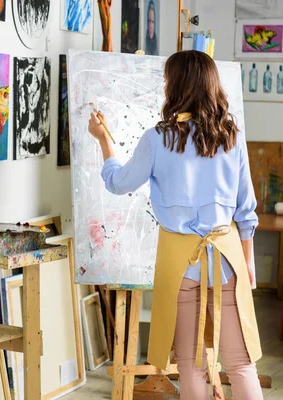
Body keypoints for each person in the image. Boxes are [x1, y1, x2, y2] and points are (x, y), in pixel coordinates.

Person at [87, 50, 263, 399]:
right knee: (241, 365)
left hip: (179, 265)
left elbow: (119, 183)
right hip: (227, 261)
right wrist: (248, 263)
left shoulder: (158, 139)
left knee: (190, 365)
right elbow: (246, 211)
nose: (165, 86)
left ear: (177, 87)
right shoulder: (232, 137)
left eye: (168, 80)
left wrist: (104, 140)